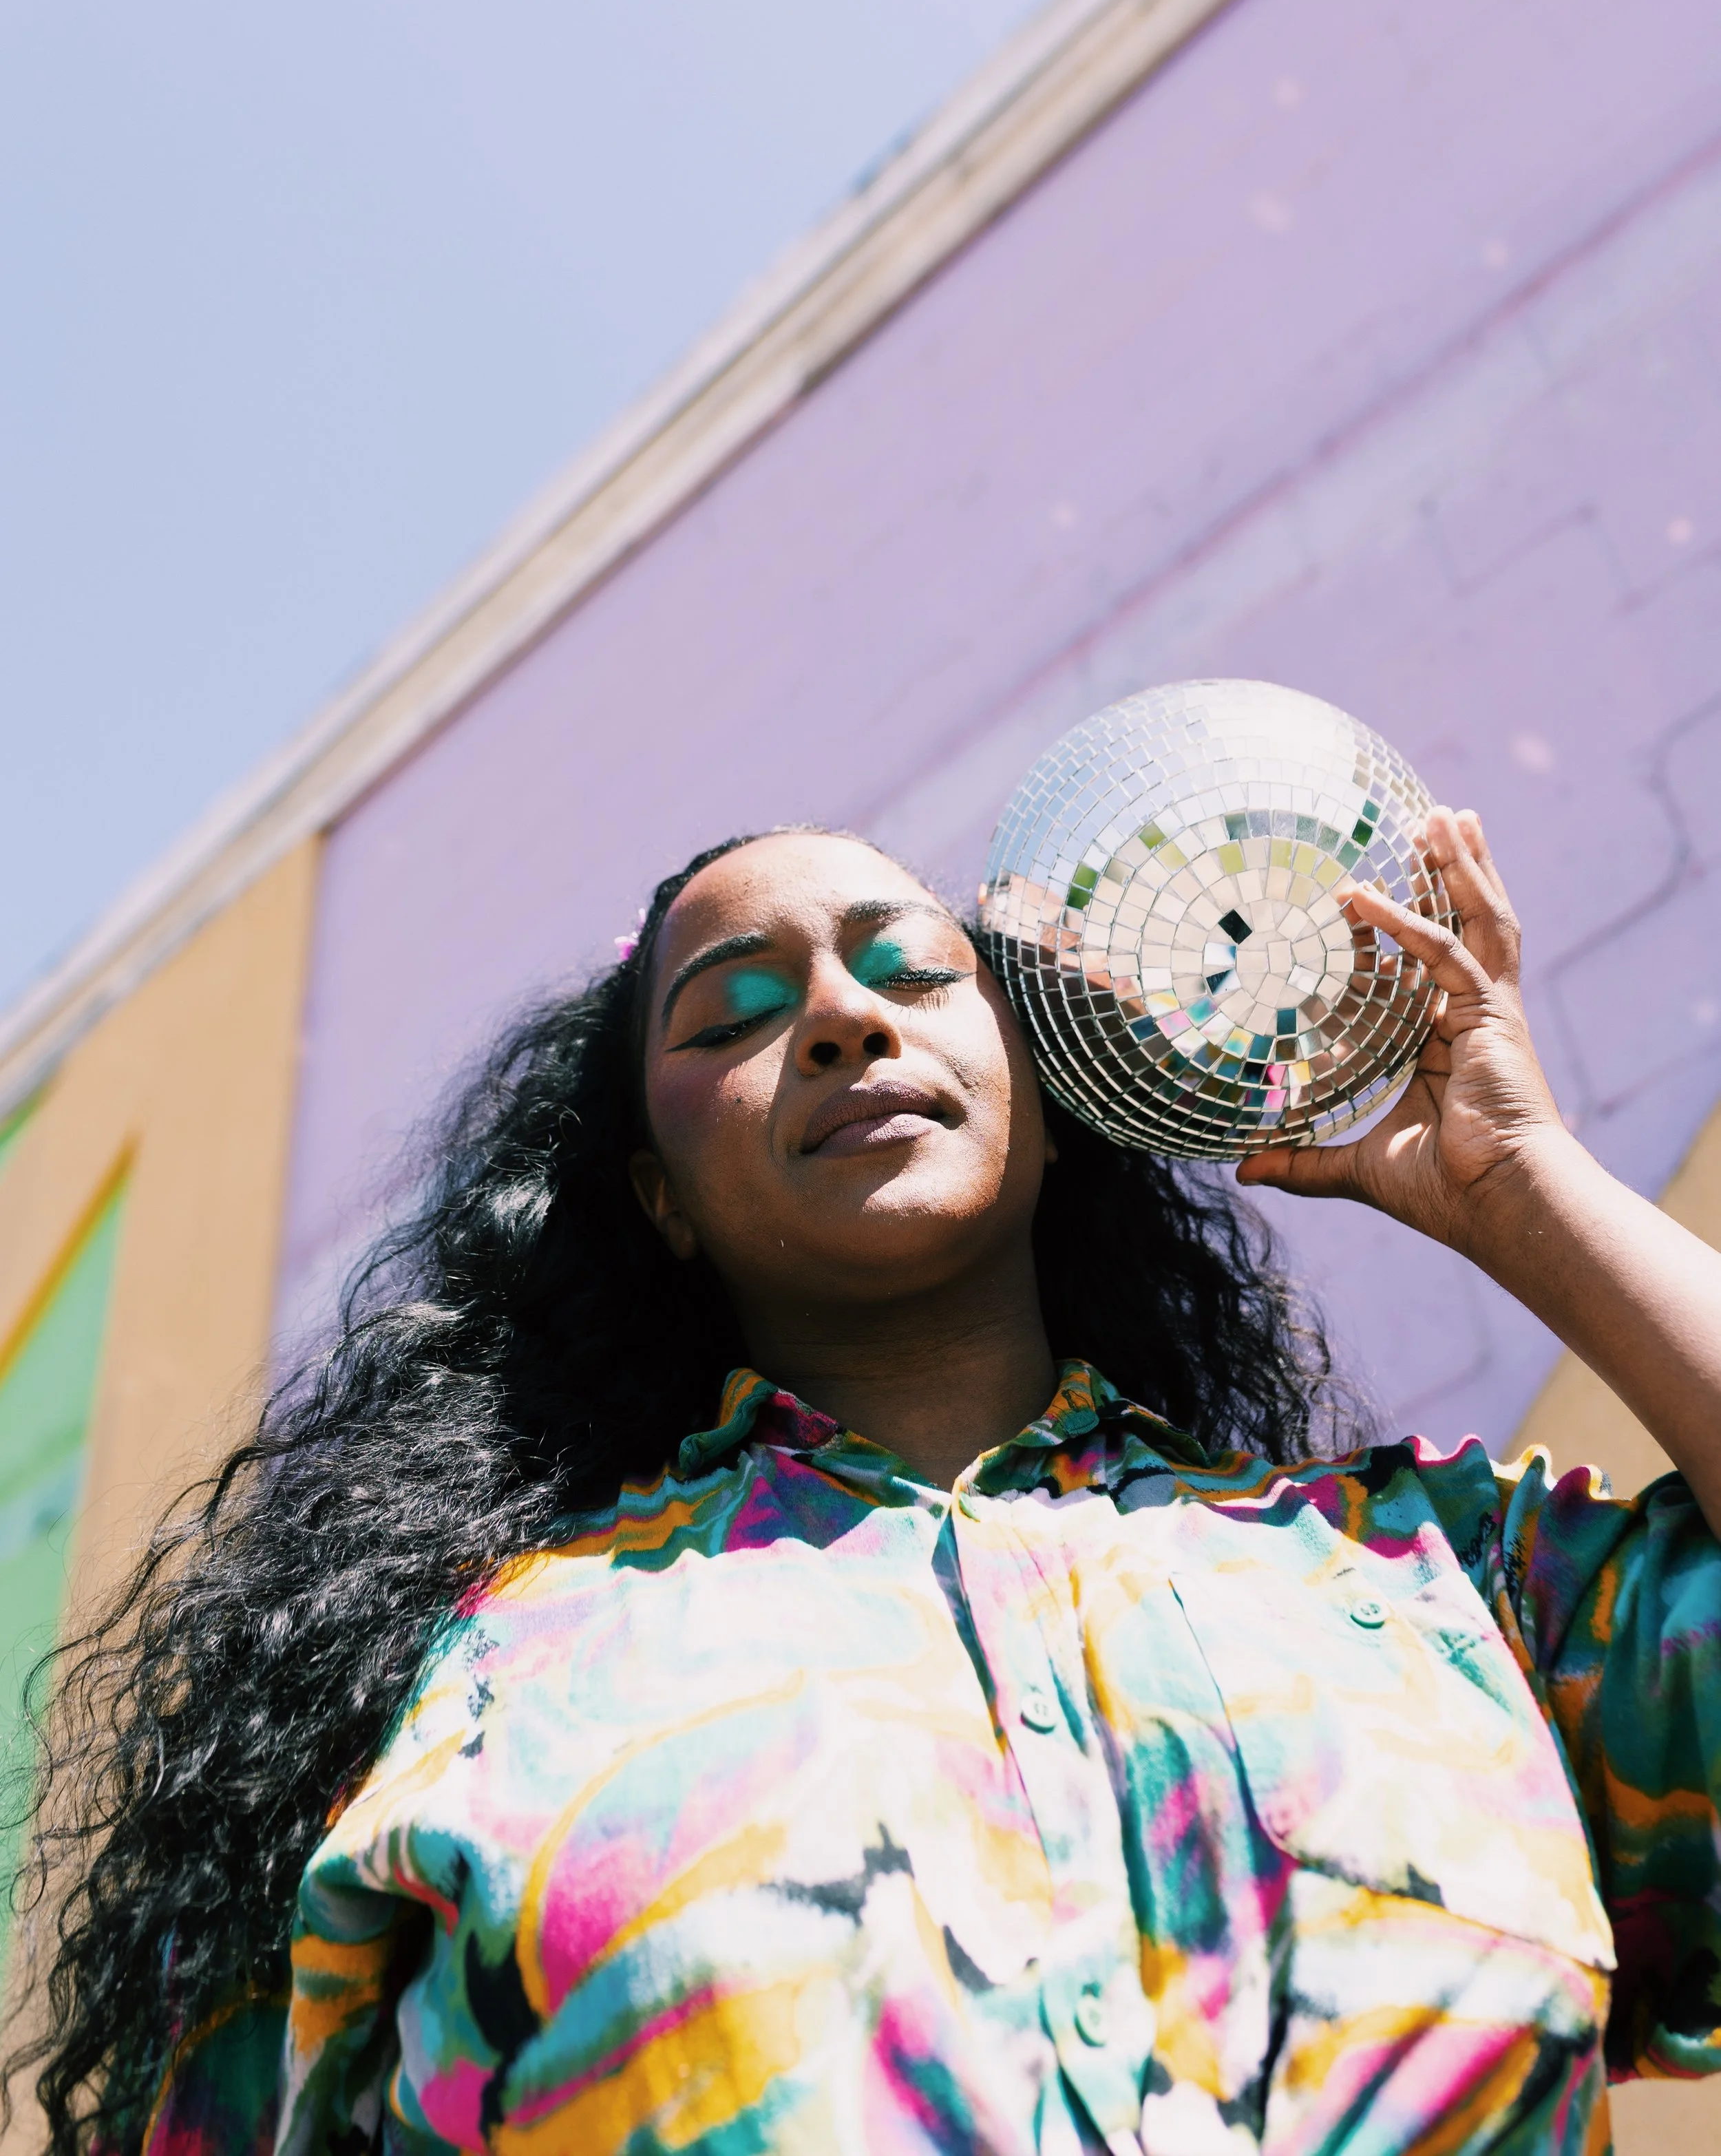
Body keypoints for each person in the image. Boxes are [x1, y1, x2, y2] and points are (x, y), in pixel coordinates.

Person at [11, 812, 1721, 2155]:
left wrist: (1516, 1181)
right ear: (657, 1198)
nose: (836, 1016)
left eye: (910, 971)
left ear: (1050, 1101)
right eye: (736, 1015)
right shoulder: (479, 1697)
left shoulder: (1439, 1586)